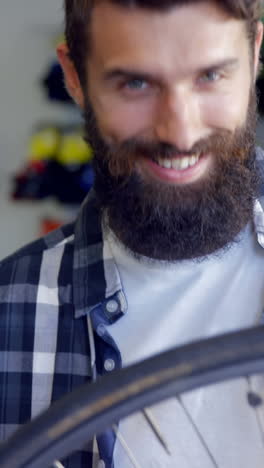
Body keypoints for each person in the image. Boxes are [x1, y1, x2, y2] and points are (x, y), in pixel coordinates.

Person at [1, 0, 264, 466]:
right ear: (75, 78)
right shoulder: (8, 314)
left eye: (210, 76)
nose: (179, 132)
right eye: (136, 83)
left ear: (256, 53)